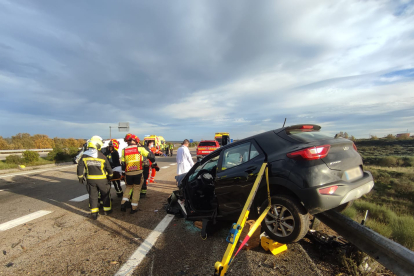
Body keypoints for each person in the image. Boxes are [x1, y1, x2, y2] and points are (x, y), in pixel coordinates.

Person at [77, 136, 113, 220]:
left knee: (93, 196)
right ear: (98, 145)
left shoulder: (85, 156)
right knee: (105, 194)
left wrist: (80, 177)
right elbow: (109, 168)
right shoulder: (102, 156)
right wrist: (110, 176)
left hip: (90, 180)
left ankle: (94, 213)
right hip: (102, 180)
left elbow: (80, 167)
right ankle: (107, 210)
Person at [121, 133, 156, 214]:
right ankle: (134, 208)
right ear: (136, 141)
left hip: (128, 173)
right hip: (138, 172)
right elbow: (151, 156)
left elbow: (123, 164)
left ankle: (123, 203)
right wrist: (153, 161)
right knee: (136, 189)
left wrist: (123, 174)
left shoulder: (124, 150)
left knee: (128, 188)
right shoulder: (139, 148)